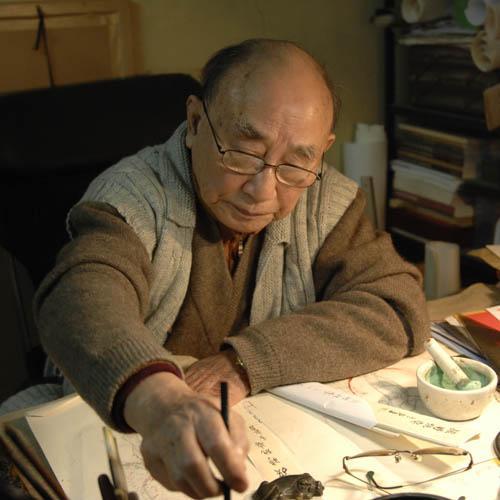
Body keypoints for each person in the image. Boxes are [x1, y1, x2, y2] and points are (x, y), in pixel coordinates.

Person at [34, 38, 429, 498]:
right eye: (243, 152)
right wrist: (158, 399)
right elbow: (79, 297)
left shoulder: (325, 201)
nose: (263, 191)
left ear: (321, 152)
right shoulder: (132, 198)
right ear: (195, 122)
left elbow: (396, 306)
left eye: (296, 164)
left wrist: (245, 363)